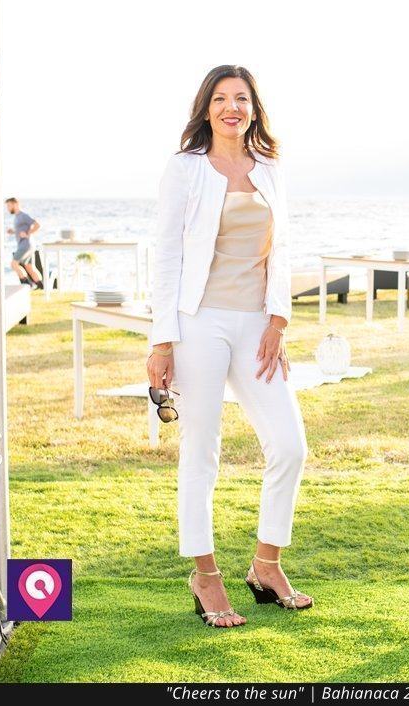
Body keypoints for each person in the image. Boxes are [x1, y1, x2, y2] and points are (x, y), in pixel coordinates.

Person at [146, 65, 310, 629]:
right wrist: (161, 342)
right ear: (206, 108)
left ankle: (266, 565)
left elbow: (281, 251)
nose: (231, 107)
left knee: (289, 445)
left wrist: (278, 321)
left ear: (254, 109)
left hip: (256, 324)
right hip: (199, 323)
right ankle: (206, 575)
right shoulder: (185, 168)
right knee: (202, 450)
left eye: (241, 98)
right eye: (220, 99)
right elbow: (166, 255)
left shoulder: (270, 170)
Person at [5, 197, 43, 288]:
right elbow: (21, 230)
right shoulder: (17, 217)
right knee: (29, 267)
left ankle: (27, 285)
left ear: (15, 204)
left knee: (14, 264)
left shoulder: (23, 215)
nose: (8, 208)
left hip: (25, 245)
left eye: (9, 206)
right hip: (28, 245)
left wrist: (28, 233)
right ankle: (41, 286)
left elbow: (37, 225)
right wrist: (13, 231)